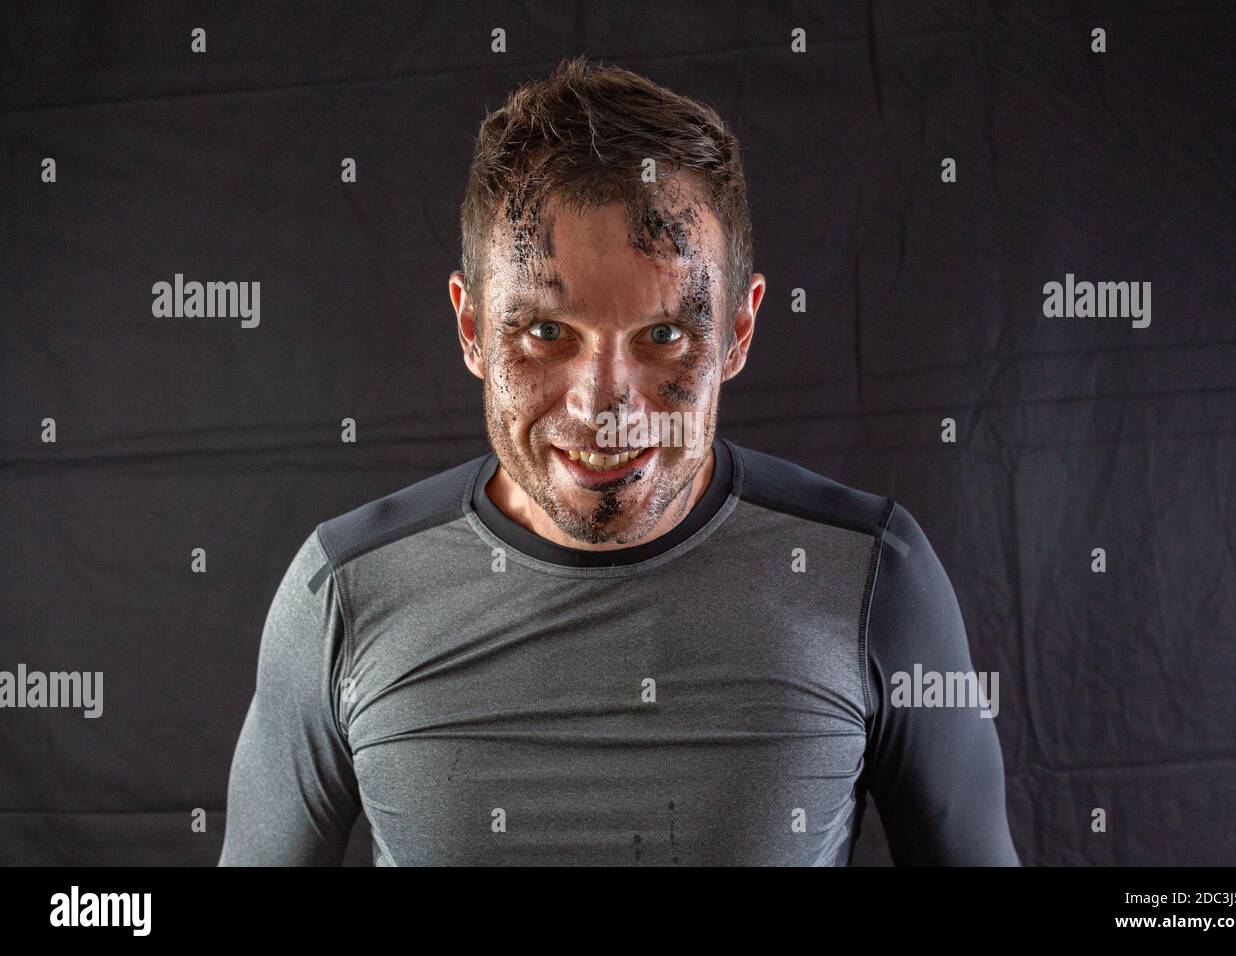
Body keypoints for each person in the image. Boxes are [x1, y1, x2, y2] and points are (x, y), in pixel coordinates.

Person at [218, 55, 1019, 866]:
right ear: (471, 330)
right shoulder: (343, 593)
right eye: (546, 333)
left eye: (664, 335)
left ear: (738, 331)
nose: (602, 404)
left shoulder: (874, 574)